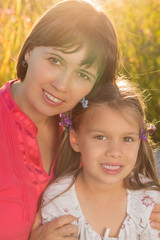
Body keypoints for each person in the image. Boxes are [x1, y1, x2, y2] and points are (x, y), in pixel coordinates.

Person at [0, 0, 118, 239]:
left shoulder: (88, 130)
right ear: (30, 50)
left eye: (82, 74)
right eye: (55, 60)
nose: (62, 85)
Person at [41, 78, 160, 239]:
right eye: (101, 137)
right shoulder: (60, 201)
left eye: (127, 139)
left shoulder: (149, 200)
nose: (115, 152)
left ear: (139, 142)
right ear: (75, 140)